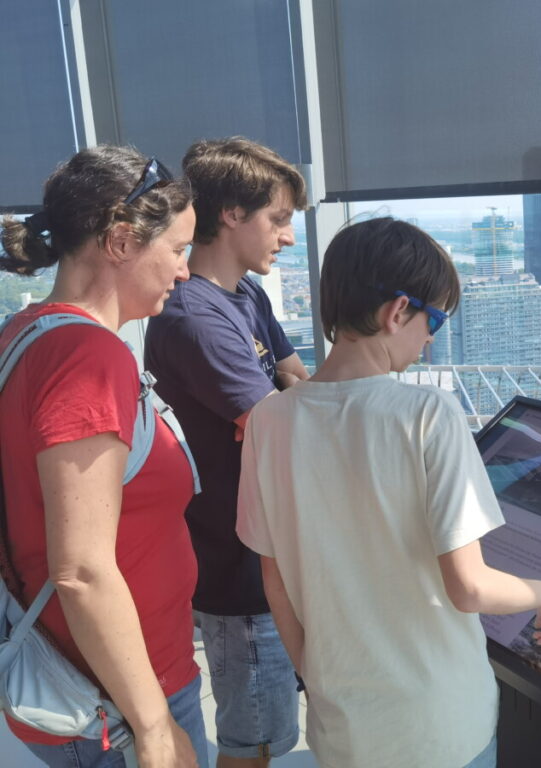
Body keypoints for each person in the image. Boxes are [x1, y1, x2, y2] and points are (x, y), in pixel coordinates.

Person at [235, 217, 541, 768]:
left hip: (343, 727)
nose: (430, 339)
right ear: (398, 311)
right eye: (435, 320)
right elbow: (469, 588)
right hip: (437, 725)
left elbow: (274, 578)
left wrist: (318, 676)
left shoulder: (268, 419)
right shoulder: (427, 413)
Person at [0, 146, 205, 767]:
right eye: (177, 250)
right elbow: (82, 570)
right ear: (120, 241)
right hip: (116, 704)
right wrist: (156, 729)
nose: (185, 272)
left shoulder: (24, 333)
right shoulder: (90, 358)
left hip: (83, 684)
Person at [143, 137, 308, 767]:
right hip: (235, 568)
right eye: (279, 218)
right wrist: (277, 412)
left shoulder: (245, 296)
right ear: (233, 214)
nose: (288, 238)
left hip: (265, 554)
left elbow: (297, 388)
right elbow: (283, 425)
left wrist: (278, 410)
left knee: (269, 728)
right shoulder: (194, 317)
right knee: (255, 738)